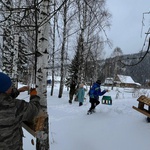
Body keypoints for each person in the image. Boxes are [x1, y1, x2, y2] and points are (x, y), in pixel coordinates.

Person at [0, 72, 41, 150]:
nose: (12, 88)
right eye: (10, 86)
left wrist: (18, 91)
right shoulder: (14, 106)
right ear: (5, 90)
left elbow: (3, 99)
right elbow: (35, 110)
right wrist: (34, 95)